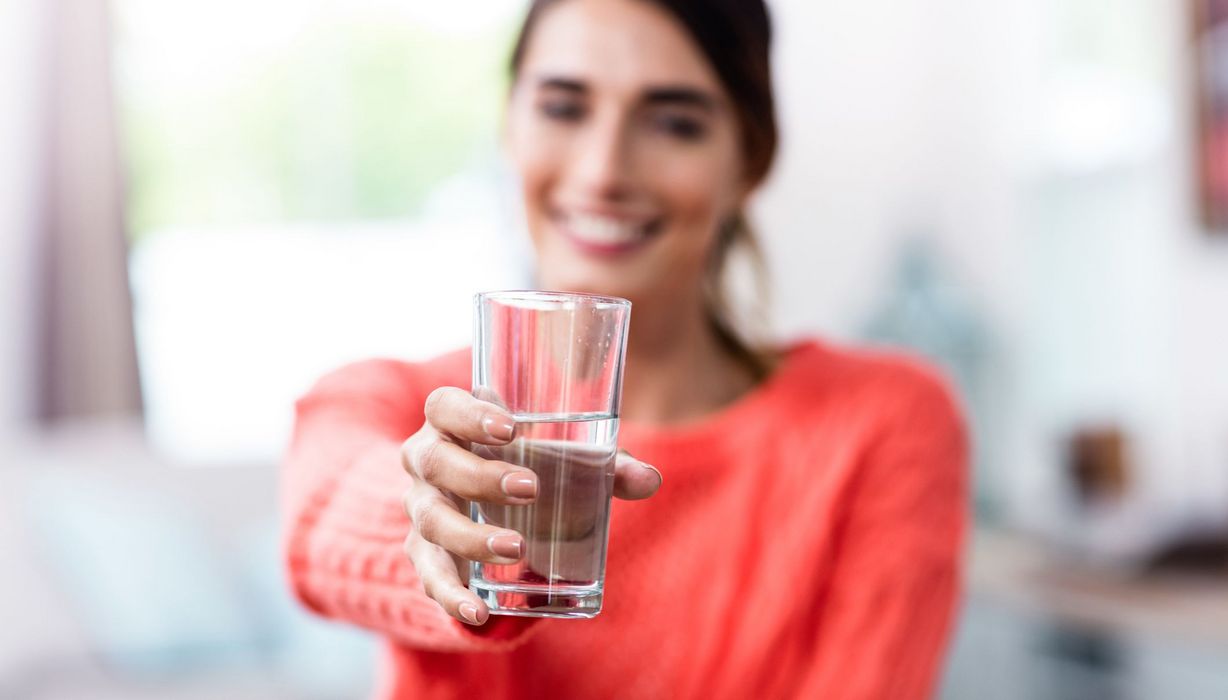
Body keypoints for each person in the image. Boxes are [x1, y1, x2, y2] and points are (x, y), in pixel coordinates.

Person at [282, 0, 968, 697]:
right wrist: (433, 522)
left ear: (749, 160)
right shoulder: (400, 406)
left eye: (674, 122)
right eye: (563, 108)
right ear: (508, 127)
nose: (604, 170)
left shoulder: (882, 421)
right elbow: (320, 521)